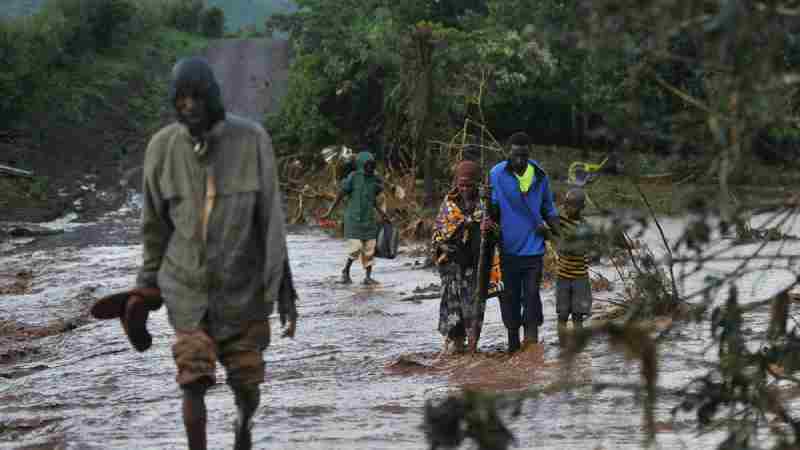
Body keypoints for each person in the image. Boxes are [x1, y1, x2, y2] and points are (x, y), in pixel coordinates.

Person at [135, 56, 297, 450]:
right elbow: (154, 226)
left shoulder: (253, 140)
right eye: (180, 98)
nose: (188, 106)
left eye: (196, 97)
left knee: (247, 384)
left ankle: (243, 428)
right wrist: (144, 287)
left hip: (243, 293)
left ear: (213, 99)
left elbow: (271, 219)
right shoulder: (161, 149)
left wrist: (284, 287)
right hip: (187, 292)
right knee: (193, 380)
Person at [483, 132, 559, 352]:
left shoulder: (540, 175)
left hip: (533, 249)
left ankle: (532, 347)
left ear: (529, 154)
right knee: (510, 298)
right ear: (509, 152)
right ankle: (513, 347)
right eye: (516, 155)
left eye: (524, 156)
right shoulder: (496, 174)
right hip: (508, 249)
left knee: (533, 296)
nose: (519, 161)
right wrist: (486, 201)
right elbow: (494, 211)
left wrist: (560, 236)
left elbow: (549, 208)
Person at [431, 160, 502, 354]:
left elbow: (497, 236)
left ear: (477, 184)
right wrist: (445, 245)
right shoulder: (449, 204)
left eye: (468, 185)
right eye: (461, 184)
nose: (464, 189)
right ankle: (455, 350)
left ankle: (472, 348)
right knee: (453, 314)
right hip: (453, 269)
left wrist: (488, 228)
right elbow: (438, 233)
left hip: (475, 269)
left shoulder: (486, 205)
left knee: (473, 311)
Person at [323, 150, 388, 285]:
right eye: (367, 165)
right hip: (353, 219)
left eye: (372, 165)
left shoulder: (374, 180)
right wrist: (329, 212)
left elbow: (373, 199)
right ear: (361, 165)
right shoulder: (353, 177)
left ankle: (368, 277)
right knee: (356, 248)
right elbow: (340, 195)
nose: (370, 168)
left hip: (369, 220)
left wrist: (382, 214)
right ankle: (345, 271)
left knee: (370, 249)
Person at [553, 188, 592, 342]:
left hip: (580, 277)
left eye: (573, 206)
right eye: (567, 205)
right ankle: (562, 343)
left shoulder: (584, 226)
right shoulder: (559, 220)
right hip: (562, 276)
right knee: (562, 314)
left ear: (581, 207)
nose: (568, 208)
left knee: (577, 315)